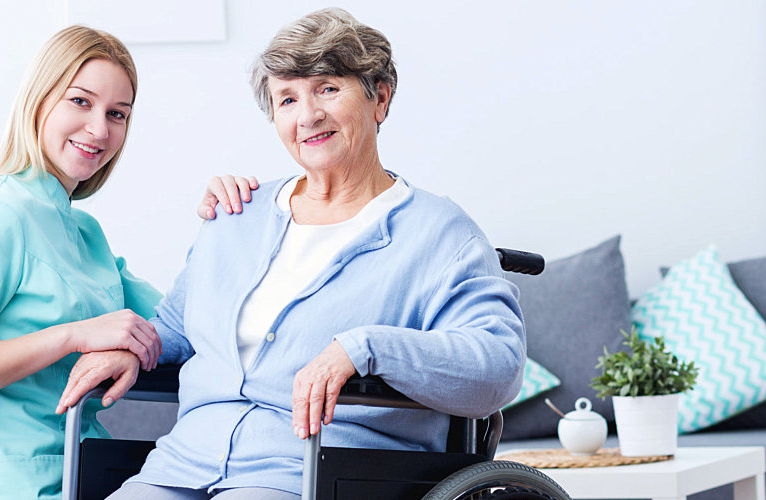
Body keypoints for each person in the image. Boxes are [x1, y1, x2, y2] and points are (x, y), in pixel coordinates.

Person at [58, 9, 525, 500]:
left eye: (327, 88)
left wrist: (364, 348)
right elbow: (178, 327)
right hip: (182, 465)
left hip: (315, 475)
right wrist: (128, 343)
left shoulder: (439, 234)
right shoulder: (238, 213)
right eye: (287, 98)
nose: (307, 115)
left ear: (379, 98)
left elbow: (497, 365)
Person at [0, 26, 256, 499]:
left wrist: (228, 222)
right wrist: (72, 335)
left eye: (117, 114)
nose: (100, 130)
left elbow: (181, 323)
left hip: (83, 471)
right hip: (2, 484)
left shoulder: (84, 233)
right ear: (40, 100)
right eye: (81, 102)